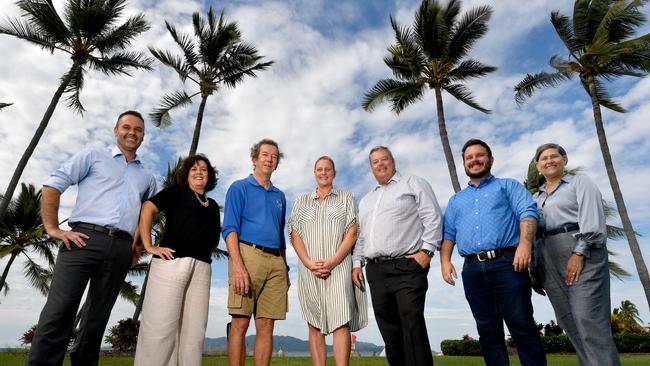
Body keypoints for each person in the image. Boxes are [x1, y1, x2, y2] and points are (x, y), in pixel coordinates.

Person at [27, 111, 157, 366]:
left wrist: (137, 250)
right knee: (59, 311)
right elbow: (53, 185)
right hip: (82, 240)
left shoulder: (147, 177)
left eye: (138, 129)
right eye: (127, 127)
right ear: (116, 130)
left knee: (97, 318)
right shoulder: (93, 156)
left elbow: (147, 215)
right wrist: (53, 229)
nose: (132, 132)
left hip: (120, 248)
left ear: (143, 135)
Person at [440, 138, 546, 366]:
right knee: (488, 331)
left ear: (490, 159)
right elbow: (448, 233)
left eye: (479, 155)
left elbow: (528, 213)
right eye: (469, 157)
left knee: (521, 326)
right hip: (472, 270)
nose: (474, 160)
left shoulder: (508, 186)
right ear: (464, 163)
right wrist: (445, 261)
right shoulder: (456, 200)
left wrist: (525, 245)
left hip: (508, 263)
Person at [352, 146, 442, 366]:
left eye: (384, 159)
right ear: (371, 167)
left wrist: (427, 251)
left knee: (412, 324)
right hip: (375, 271)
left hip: (407, 266)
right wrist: (356, 264)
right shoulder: (366, 200)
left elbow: (433, 217)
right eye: (375, 161)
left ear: (393, 161)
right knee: (389, 330)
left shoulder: (413, 183)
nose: (380, 164)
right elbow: (362, 236)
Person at [532, 143, 620, 366]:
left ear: (564, 159)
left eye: (554, 156)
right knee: (569, 322)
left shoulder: (580, 182)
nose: (549, 160)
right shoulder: (535, 197)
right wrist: (534, 269)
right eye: (544, 158)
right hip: (547, 258)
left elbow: (592, 218)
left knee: (588, 319)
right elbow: (531, 233)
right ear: (537, 166)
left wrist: (579, 252)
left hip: (579, 251)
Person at [134, 154, 221, 366]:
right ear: (186, 175)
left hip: (202, 268)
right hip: (171, 263)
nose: (199, 172)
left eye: (203, 169)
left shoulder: (213, 205)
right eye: (194, 169)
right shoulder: (176, 192)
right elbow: (148, 208)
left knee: (194, 333)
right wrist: (148, 245)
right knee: (160, 329)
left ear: (209, 176)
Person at [288, 156, 368, 366]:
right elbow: (295, 233)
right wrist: (307, 262)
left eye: (328, 169)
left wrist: (333, 261)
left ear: (334, 173)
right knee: (314, 325)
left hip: (339, 268)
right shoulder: (301, 201)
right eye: (319, 169)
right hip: (309, 270)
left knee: (341, 322)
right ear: (314, 173)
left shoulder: (346, 197)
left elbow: (352, 232)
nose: (323, 172)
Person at [221, 139, 288, 366]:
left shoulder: (280, 196)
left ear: (277, 163)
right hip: (248, 256)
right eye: (265, 154)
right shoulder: (239, 188)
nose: (270, 159)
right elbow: (229, 228)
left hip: (276, 261)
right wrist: (238, 266)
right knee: (240, 322)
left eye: (274, 156)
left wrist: (285, 268)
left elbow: (281, 235)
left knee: (267, 325)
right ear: (254, 159)